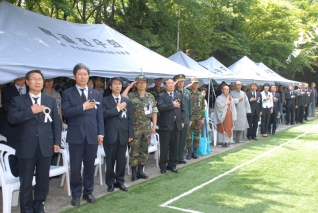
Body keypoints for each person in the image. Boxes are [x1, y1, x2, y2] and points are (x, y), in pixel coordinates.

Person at [8, 70, 61, 213]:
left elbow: (56, 123)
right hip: (26, 146)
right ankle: (26, 209)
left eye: (40, 79)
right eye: (34, 79)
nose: (37, 82)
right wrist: (30, 111)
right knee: (25, 182)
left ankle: (39, 206)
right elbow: (11, 119)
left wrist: (57, 142)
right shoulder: (18, 100)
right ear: (27, 82)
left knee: (43, 181)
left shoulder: (49, 99)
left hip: (46, 146)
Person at [62, 63, 104, 206]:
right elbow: (66, 113)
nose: (82, 77)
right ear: (74, 76)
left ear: (88, 76)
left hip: (92, 135)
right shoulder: (67, 93)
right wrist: (82, 107)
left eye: (85, 74)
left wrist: (101, 134)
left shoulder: (95, 94)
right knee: (75, 167)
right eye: (80, 74)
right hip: (75, 135)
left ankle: (88, 192)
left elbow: (99, 116)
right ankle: (76, 194)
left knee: (89, 166)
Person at [122, 75, 158, 181]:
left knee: (144, 149)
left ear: (147, 84)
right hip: (135, 127)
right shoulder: (131, 96)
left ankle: (140, 171)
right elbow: (122, 98)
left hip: (147, 127)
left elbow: (154, 111)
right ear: (136, 84)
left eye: (144, 82)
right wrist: (129, 86)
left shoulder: (150, 96)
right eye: (139, 82)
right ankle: (133, 172)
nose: (142, 84)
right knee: (134, 150)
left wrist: (154, 125)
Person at [103, 77, 133, 192]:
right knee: (110, 161)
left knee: (121, 160)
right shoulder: (105, 100)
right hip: (110, 135)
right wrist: (117, 108)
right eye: (115, 84)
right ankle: (110, 182)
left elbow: (130, 119)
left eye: (119, 84)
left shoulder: (127, 101)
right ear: (110, 87)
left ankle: (120, 181)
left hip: (123, 135)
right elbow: (103, 115)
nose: (117, 86)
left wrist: (130, 133)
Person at [1, 77, 28, 177]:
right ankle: (14, 177)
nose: (19, 78)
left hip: (29, 127)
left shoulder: (32, 89)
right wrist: (27, 109)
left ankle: (27, 178)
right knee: (13, 154)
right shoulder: (6, 90)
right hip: (12, 128)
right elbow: (7, 107)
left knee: (28, 154)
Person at [157, 78, 184, 174]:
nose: (171, 85)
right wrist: (172, 105)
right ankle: (163, 166)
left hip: (177, 125)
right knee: (164, 147)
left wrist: (182, 120)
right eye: (168, 83)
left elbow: (182, 109)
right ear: (164, 86)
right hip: (165, 125)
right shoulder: (161, 95)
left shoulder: (178, 95)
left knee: (174, 146)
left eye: (172, 83)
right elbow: (160, 107)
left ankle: (172, 165)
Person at [173, 74, 192, 164]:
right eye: (179, 81)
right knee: (175, 140)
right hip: (176, 119)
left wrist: (190, 117)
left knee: (183, 139)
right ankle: (174, 158)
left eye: (182, 81)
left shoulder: (187, 92)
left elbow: (189, 106)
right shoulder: (173, 92)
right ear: (176, 82)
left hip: (186, 119)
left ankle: (180, 157)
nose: (181, 83)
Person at [186, 77, 205, 160]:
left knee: (197, 136)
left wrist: (202, 118)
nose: (195, 84)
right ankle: (189, 152)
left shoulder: (201, 95)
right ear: (191, 84)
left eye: (197, 83)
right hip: (189, 118)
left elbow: (202, 108)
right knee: (188, 136)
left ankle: (195, 152)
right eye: (194, 83)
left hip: (198, 118)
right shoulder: (187, 94)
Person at [197, 87, 211, 156]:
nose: (203, 94)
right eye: (202, 92)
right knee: (198, 134)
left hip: (204, 119)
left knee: (205, 134)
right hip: (198, 119)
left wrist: (207, 120)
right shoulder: (196, 100)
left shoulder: (205, 101)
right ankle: (198, 150)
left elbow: (206, 111)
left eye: (204, 93)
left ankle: (205, 150)